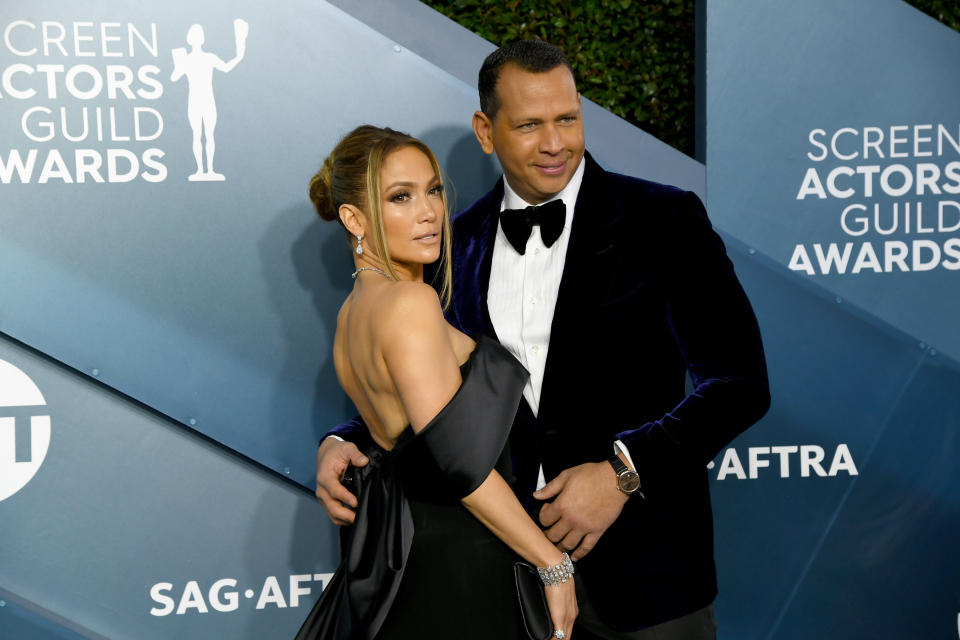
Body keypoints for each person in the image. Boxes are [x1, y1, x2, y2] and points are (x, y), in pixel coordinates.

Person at [317, 41, 770, 640]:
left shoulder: (663, 220)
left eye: (568, 118)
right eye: (529, 125)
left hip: (645, 581)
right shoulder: (450, 245)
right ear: (485, 130)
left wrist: (623, 471)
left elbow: (740, 384)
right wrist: (345, 438)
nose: (555, 143)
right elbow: (431, 387)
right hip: (500, 579)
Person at [297, 125, 577, 640]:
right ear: (354, 218)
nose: (429, 212)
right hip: (466, 559)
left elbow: (402, 434)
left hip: (416, 553)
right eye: (401, 197)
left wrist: (338, 438)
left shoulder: (350, 314)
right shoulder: (410, 304)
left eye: (432, 190)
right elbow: (458, 463)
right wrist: (553, 565)